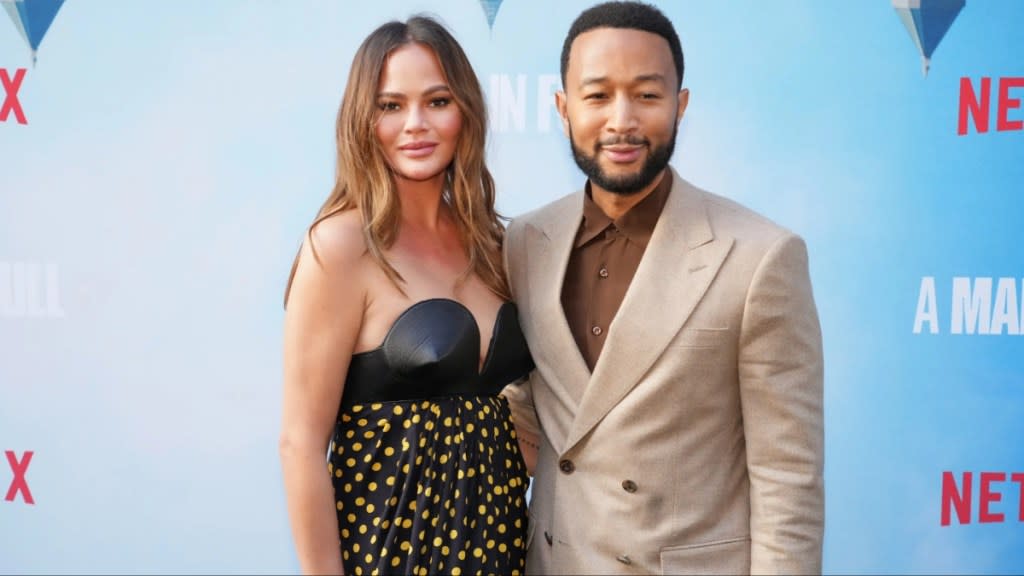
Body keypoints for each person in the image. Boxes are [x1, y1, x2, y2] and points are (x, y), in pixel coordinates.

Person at [502, 1, 825, 574]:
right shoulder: (525, 242)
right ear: (562, 107)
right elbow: (526, 414)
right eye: (597, 95)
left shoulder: (759, 257)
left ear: (680, 106)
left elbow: (787, 479)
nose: (621, 120)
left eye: (647, 96)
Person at [279, 16, 534, 576]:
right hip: (391, 554)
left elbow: (517, 422)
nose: (414, 125)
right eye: (390, 105)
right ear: (362, 121)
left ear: (465, 111)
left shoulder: (496, 245)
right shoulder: (341, 246)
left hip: (503, 552)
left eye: (437, 101)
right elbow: (300, 445)